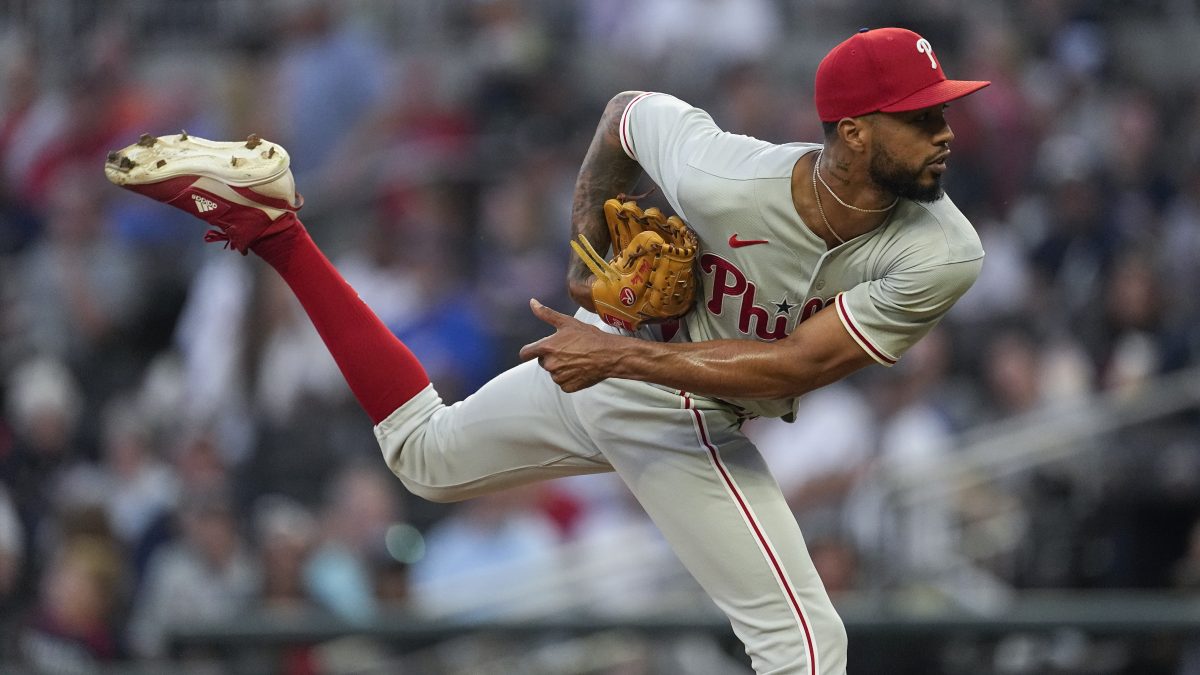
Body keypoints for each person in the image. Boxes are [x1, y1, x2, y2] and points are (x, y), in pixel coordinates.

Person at [104, 27, 988, 675]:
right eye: (921, 118)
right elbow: (624, 115)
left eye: (943, 110)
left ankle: (275, 232)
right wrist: (583, 248)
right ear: (856, 132)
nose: (946, 130)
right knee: (806, 644)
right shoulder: (727, 172)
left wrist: (612, 355)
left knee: (425, 456)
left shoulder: (940, 248)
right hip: (661, 393)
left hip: (628, 367)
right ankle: (277, 228)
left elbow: (800, 363)